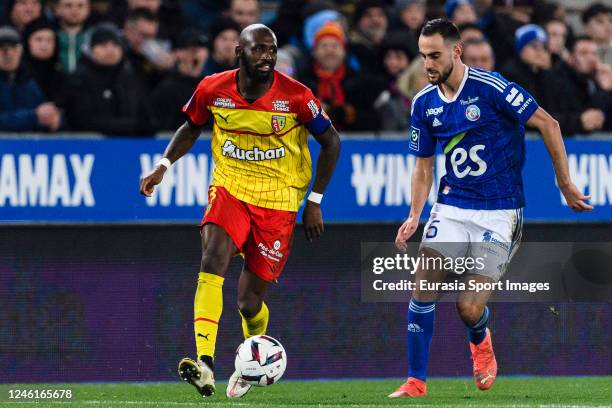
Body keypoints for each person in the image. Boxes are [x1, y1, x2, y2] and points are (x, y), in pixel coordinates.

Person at [388, 19, 591, 399]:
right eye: (423, 56)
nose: (427, 64)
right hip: (451, 206)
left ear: (456, 52)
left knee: (467, 307)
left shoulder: (492, 88)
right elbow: (423, 166)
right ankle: (416, 381)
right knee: (423, 282)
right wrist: (415, 214)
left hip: (500, 212)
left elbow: (548, 124)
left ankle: (480, 339)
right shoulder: (424, 104)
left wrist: (564, 183)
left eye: (434, 56)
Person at [139, 24, 340, 399]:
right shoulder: (213, 89)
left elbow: (331, 141)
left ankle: (251, 361)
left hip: (279, 199)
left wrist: (315, 202)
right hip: (230, 187)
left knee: (249, 303)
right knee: (213, 257)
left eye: (272, 50)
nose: (266, 57)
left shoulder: (296, 96)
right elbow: (191, 126)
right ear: (238, 52)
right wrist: (162, 166)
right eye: (258, 50)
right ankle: (205, 363)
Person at [64, 23, 151, 135]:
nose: (110, 50)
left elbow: (146, 116)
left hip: (131, 146)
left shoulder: (131, 76)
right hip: (90, 148)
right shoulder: (79, 79)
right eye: (103, 45)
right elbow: (82, 120)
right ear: (90, 48)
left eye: (115, 45)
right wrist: (132, 126)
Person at [0, 25, 61, 131]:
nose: (9, 53)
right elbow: (37, 115)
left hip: (28, 145)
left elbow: (44, 112)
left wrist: (54, 119)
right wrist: (34, 116)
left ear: (20, 51)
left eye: (13, 48)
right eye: (3, 49)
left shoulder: (28, 82)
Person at [547, 36, 612, 135]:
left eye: (594, 53)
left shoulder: (598, 80)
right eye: (584, 53)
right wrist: (579, 121)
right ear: (571, 58)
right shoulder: (557, 81)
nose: (591, 58)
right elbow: (586, 117)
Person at [150, 29, 209, 131]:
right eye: (191, 50)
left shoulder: (211, 87)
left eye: (200, 49)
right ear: (178, 53)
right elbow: (162, 133)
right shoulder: (167, 89)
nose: (196, 54)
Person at [54, 0, 90, 73]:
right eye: (68, 5)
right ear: (57, 9)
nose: (74, 10)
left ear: (88, 9)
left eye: (80, 6)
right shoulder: (48, 37)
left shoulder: (94, 36)